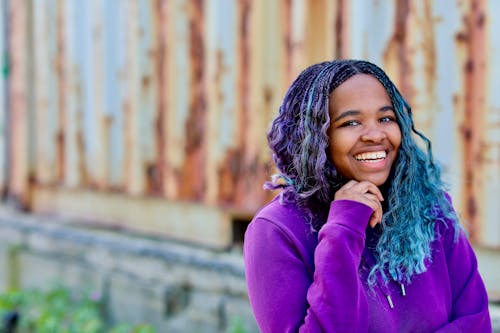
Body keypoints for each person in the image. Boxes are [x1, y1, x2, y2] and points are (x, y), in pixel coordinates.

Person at [243, 59, 492, 332]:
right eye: (350, 123)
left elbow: (475, 321)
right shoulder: (277, 230)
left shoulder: (428, 208)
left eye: (386, 118)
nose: (375, 134)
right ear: (313, 137)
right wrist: (344, 228)